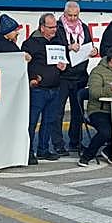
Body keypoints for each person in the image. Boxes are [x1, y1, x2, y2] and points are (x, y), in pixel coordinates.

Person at [20, 14, 68, 163]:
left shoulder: (58, 41)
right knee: (32, 122)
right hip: (38, 89)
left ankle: (43, 149)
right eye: (51, 27)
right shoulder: (30, 43)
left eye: (56, 27)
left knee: (49, 121)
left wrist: (64, 66)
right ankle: (27, 151)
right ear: (42, 27)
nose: (55, 30)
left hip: (55, 87)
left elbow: (65, 60)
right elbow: (24, 64)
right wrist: (33, 78)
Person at [54, 1, 97, 154]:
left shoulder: (83, 27)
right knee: (58, 111)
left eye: (75, 15)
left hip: (80, 74)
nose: (72, 19)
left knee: (77, 111)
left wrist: (93, 50)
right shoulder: (58, 27)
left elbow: (89, 44)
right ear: (64, 14)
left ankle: (75, 141)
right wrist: (68, 48)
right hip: (63, 76)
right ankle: (58, 143)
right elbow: (53, 48)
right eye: (69, 15)